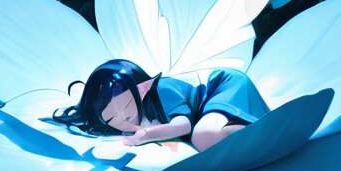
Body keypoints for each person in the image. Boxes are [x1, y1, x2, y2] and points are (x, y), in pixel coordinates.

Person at [53, 58, 269, 151]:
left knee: (203, 136)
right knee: (206, 137)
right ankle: (257, 132)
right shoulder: (144, 112)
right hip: (211, 108)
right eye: (111, 120)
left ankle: (264, 132)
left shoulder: (162, 89)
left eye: (126, 112)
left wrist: (145, 135)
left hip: (225, 87)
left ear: (142, 89)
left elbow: (183, 126)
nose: (123, 124)